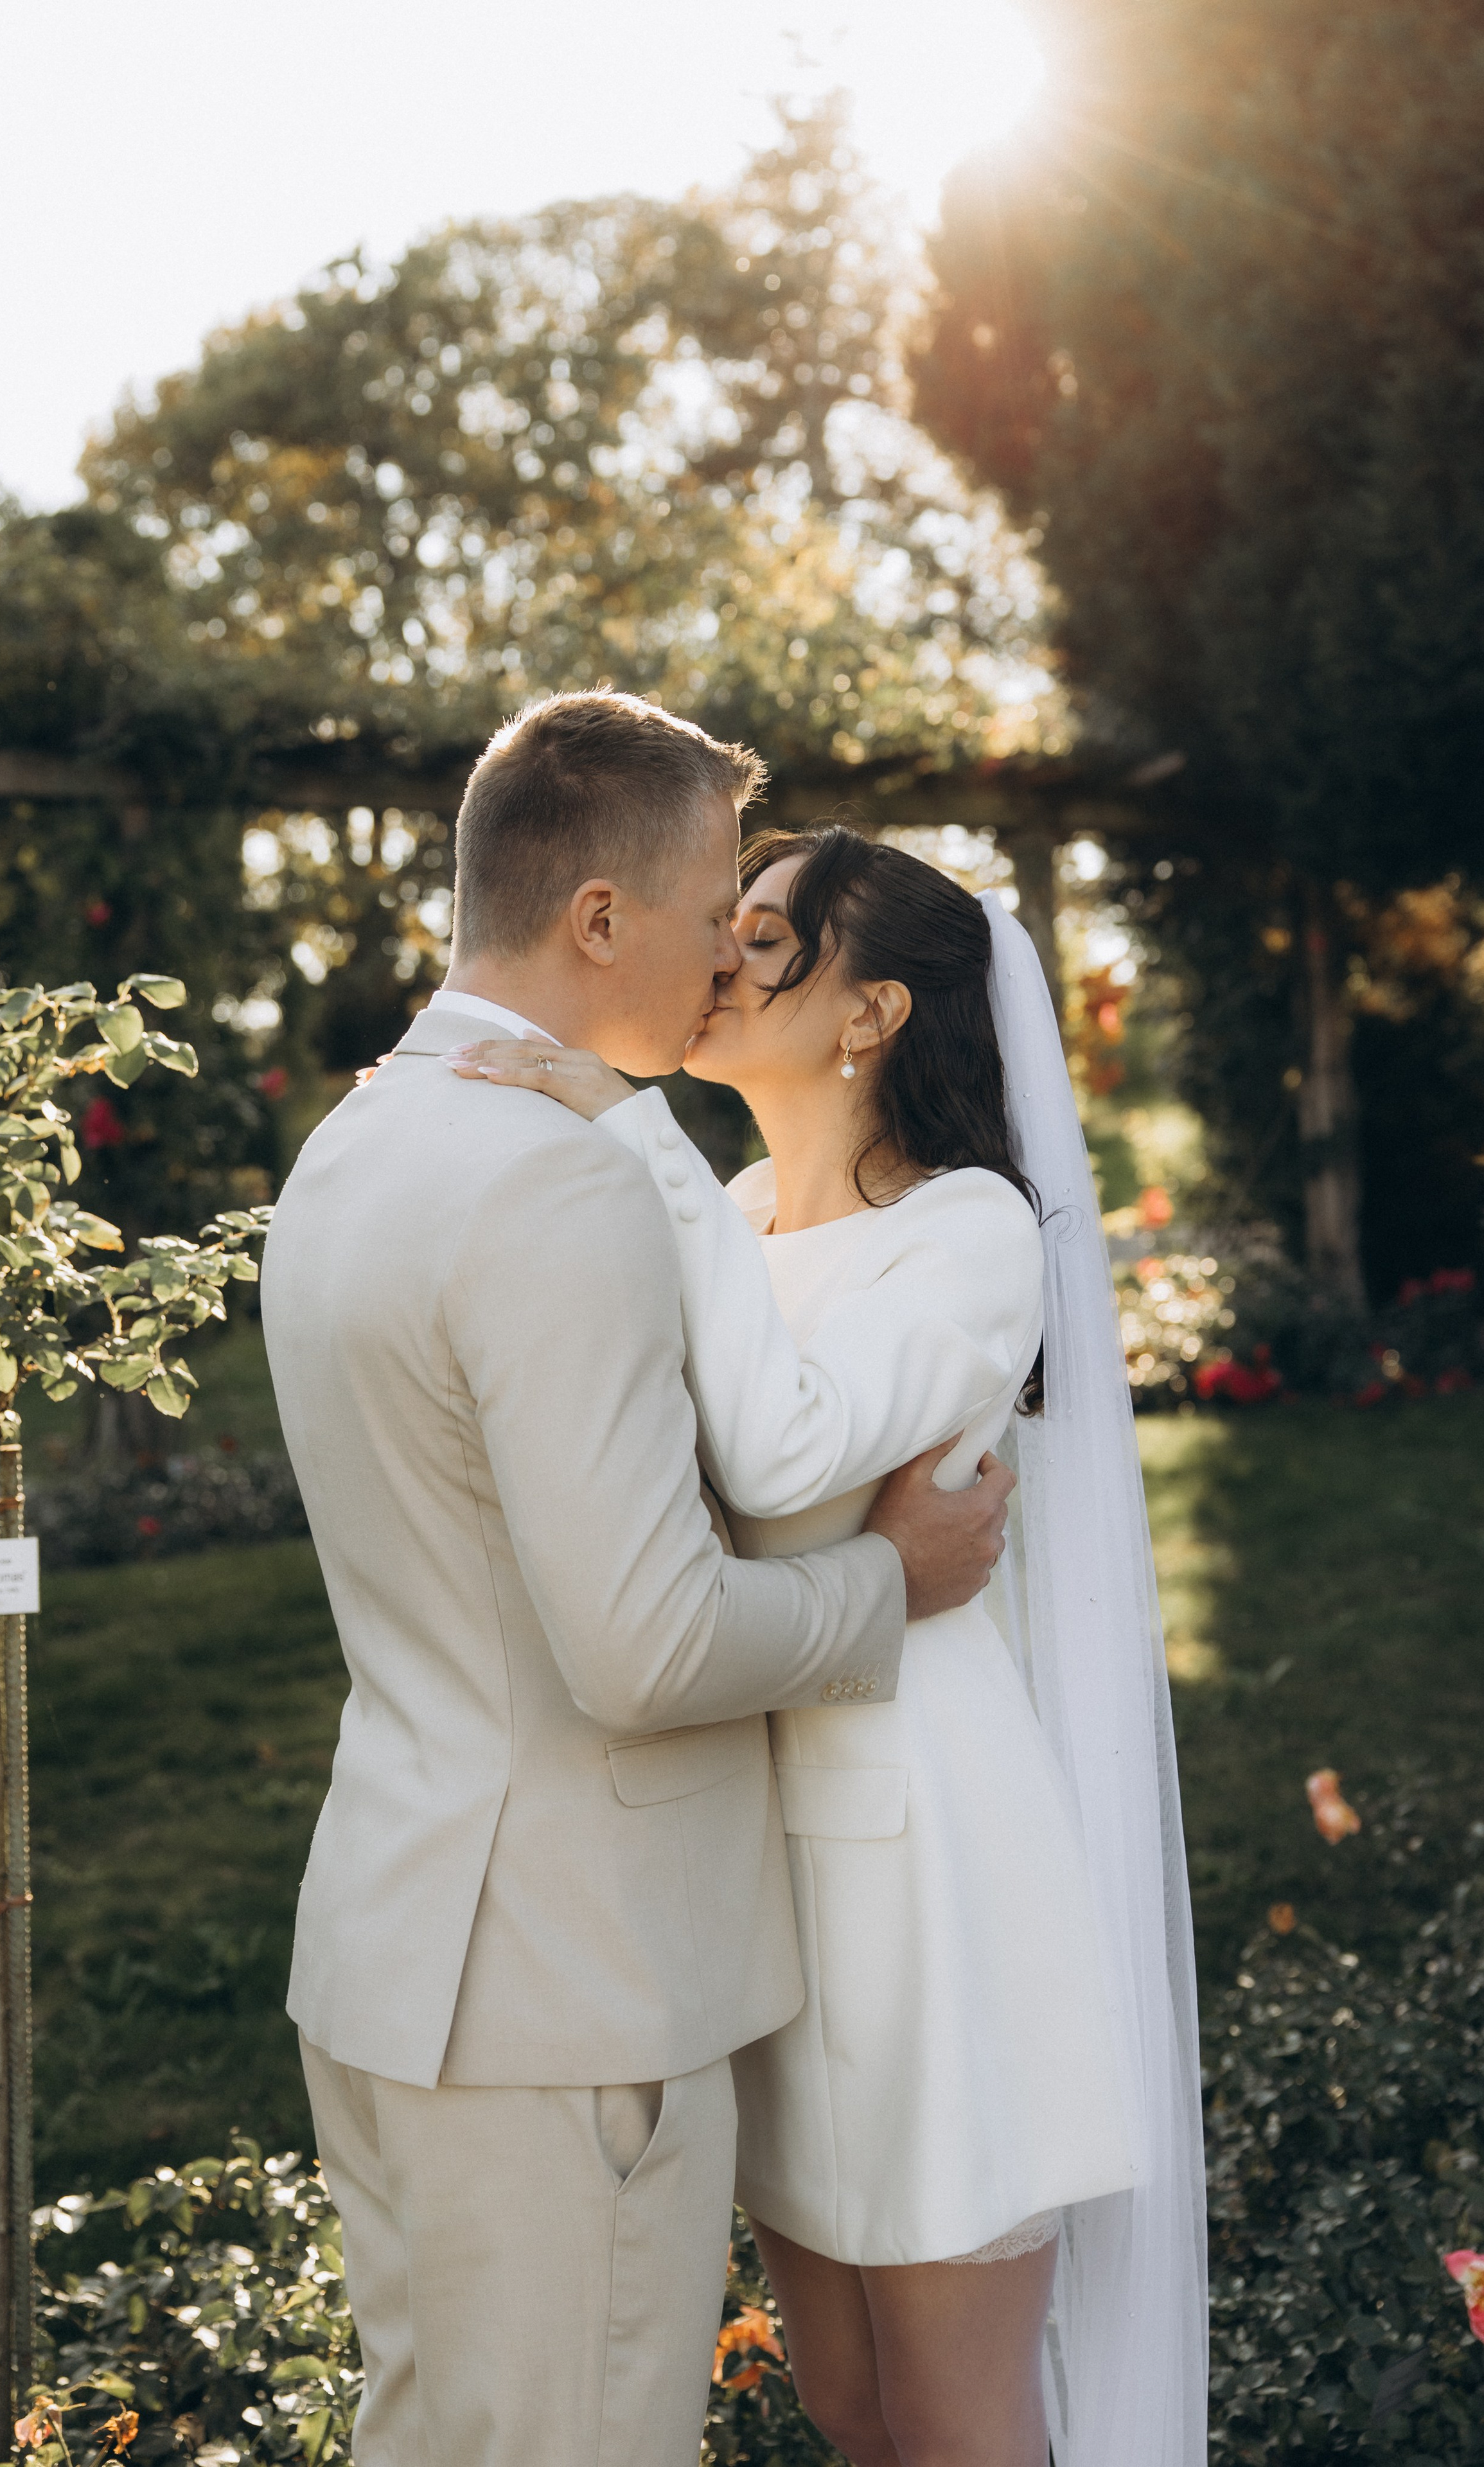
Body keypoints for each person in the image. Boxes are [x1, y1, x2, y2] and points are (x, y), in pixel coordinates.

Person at [259, 696, 1019, 2467]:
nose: (722, 963)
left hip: (396, 1950)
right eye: (706, 915)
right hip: (568, 1997)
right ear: (598, 919)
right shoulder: (557, 1184)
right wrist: (889, 1586)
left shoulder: (359, 1141)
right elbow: (651, 1639)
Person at [454, 822, 1210, 2467]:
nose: (715, 963)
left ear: (871, 1014)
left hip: (925, 1879)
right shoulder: (728, 1207)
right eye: (718, 931)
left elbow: (787, 1459)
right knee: (844, 2404)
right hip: (754, 1874)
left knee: (949, 2419)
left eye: (764, 941)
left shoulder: (971, 1231)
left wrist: (623, 1127)